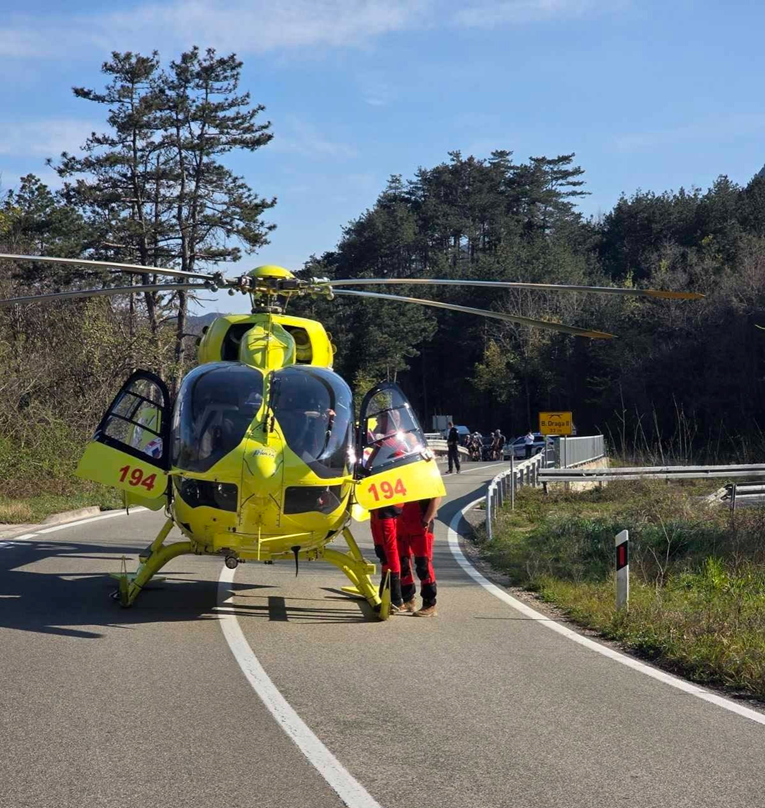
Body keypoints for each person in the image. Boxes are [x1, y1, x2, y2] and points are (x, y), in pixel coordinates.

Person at [397, 496, 441, 617]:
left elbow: (437, 497)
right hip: (402, 522)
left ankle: (430, 605)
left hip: (421, 524)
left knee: (423, 565)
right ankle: (408, 600)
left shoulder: (428, 476)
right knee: (403, 563)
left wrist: (426, 520)